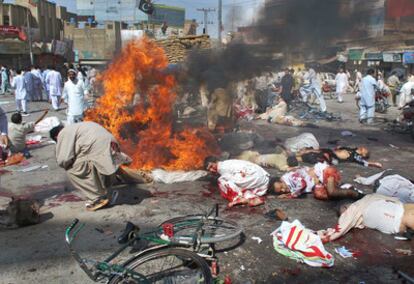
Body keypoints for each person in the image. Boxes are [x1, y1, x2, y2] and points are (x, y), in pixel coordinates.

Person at [50, 121, 132, 211]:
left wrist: (66, 164)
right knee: (99, 162)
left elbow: (64, 159)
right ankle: (132, 177)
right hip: (111, 143)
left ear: (56, 136)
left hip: (98, 149)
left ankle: (97, 198)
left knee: (71, 170)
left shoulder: (63, 133)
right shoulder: (78, 126)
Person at [318, 194, 414, 242]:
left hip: (399, 211)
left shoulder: (359, 204)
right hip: (399, 218)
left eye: (344, 209)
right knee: (406, 215)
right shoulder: (355, 216)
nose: (344, 214)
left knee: (406, 212)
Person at [271, 162, 362, 200]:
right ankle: (346, 188)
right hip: (320, 182)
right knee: (319, 194)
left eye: (282, 187)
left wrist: (289, 195)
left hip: (323, 171)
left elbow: (302, 184)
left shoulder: (289, 176)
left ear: (281, 180)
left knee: (332, 192)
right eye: (281, 191)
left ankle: (356, 194)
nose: (284, 190)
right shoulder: (289, 185)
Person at [204, 157, 271, 207]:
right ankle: (252, 199)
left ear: (216, 161)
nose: (211, 170)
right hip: (262, 179)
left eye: (211, 166)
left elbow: (244, 170)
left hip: (255, 176)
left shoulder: (223, 167)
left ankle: (239, 198)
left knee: (222, 180)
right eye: (209, 169)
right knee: (230, 180)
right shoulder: (225, 164)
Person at [297, 146, 383, 168]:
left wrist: (374, 163)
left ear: (363, 155)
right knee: (305, 152)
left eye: (365, 150)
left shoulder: (355, 156)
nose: (363, 148)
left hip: (325, 157)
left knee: (305, 155)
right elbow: (336, 149)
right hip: (326, 153)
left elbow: (365, 163)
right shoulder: (351, 150)